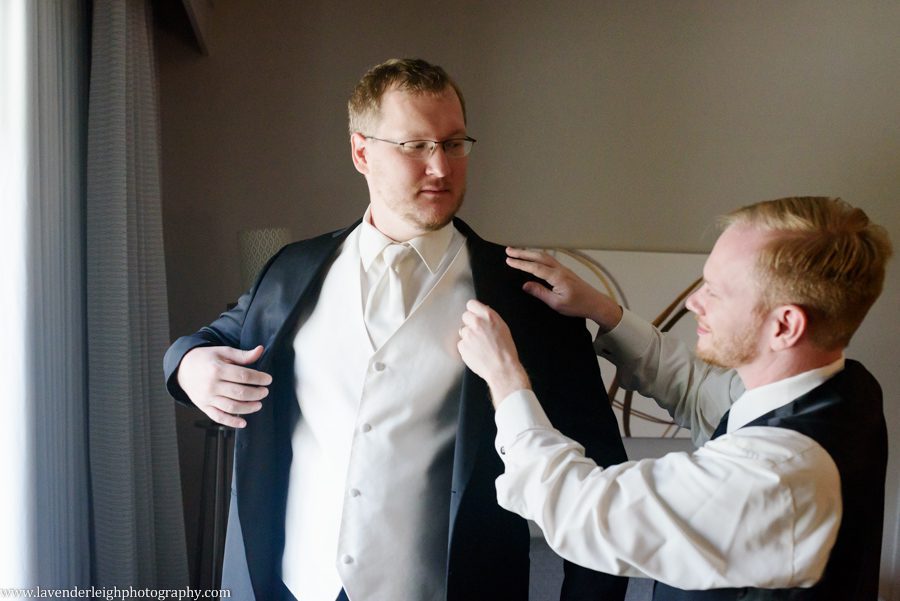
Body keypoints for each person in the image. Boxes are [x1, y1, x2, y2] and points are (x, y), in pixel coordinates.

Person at [163, 58, 628, 601]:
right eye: (415, 146)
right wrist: (190, 367)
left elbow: (603, 480)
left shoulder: (528, 295)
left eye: (454, 144)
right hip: (291, 583)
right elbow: (206, 343)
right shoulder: (293, 268)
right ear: (362, 151)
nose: (441, 167)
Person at [457, 196, 891, 599]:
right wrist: (602, 309)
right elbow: (700, 392)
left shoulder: (774, 478)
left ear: (784, 327)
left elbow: (582, 511)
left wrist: (506, 377)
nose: (694, 301)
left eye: (716, 291)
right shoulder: (842, 387)